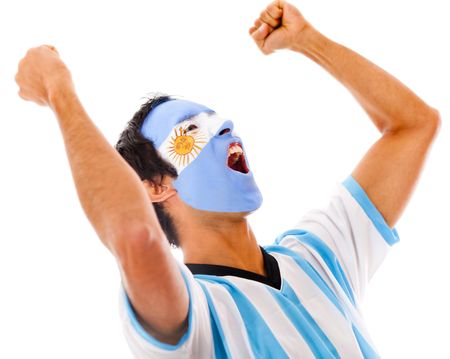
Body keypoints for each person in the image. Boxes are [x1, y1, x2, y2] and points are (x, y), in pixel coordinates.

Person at [15, 1, 439, 358]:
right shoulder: (197, 314)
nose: (226, 128)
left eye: (219, 120)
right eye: (192, 129)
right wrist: (58, 91)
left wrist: (309, 41)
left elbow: (414, 125)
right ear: (157, 187)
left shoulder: (317, 257)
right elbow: (135, 237)